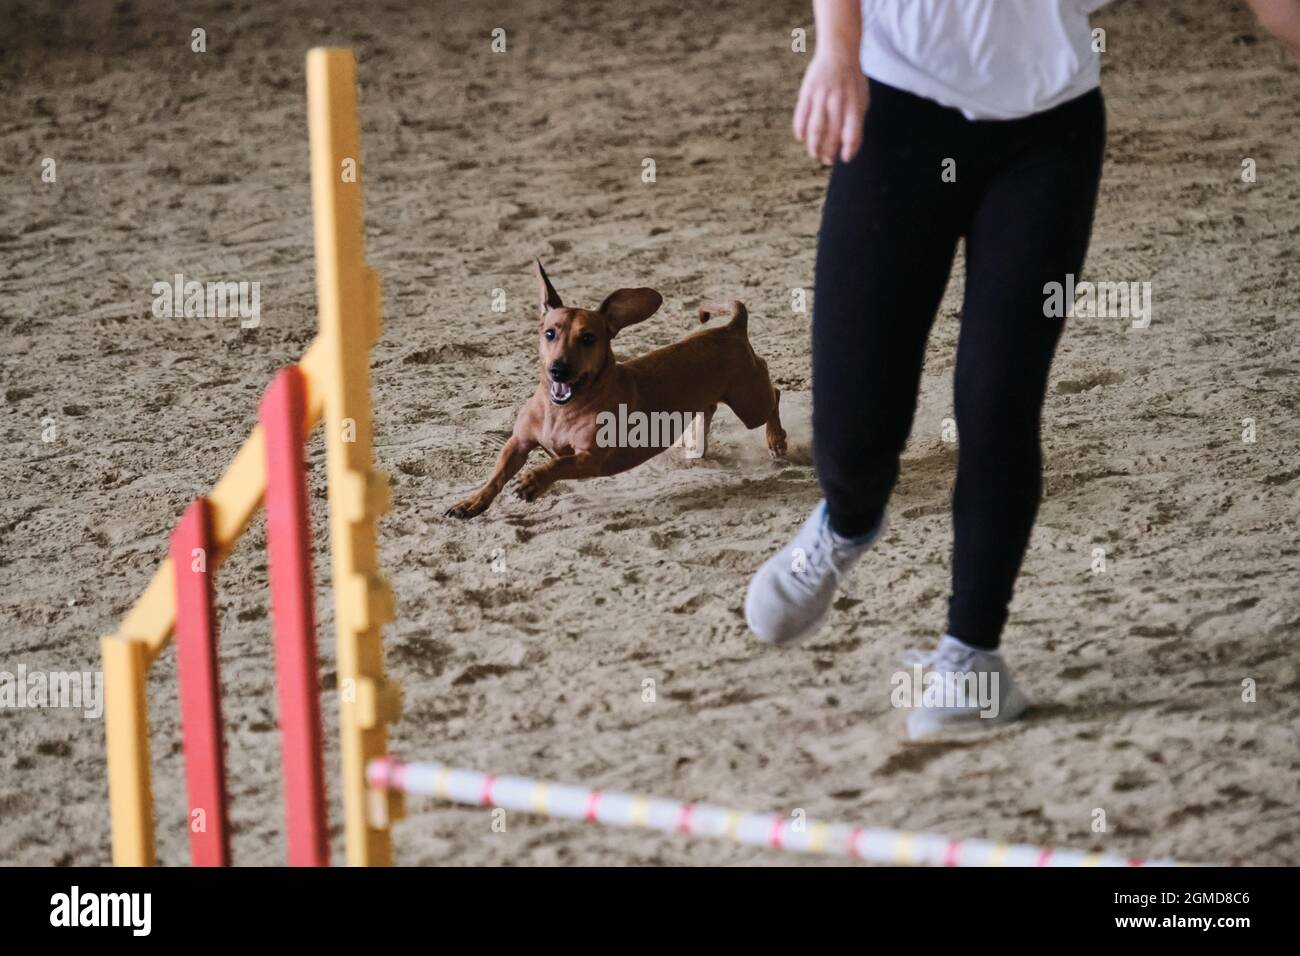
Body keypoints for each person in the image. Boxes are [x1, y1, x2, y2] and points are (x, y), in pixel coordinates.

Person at [744, 0, 1300, 739]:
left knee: (998, 397)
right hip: (896, 103)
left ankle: (971, 657)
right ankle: (845, 524)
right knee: (853, 432)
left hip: (1049, 131)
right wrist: (837, 49)